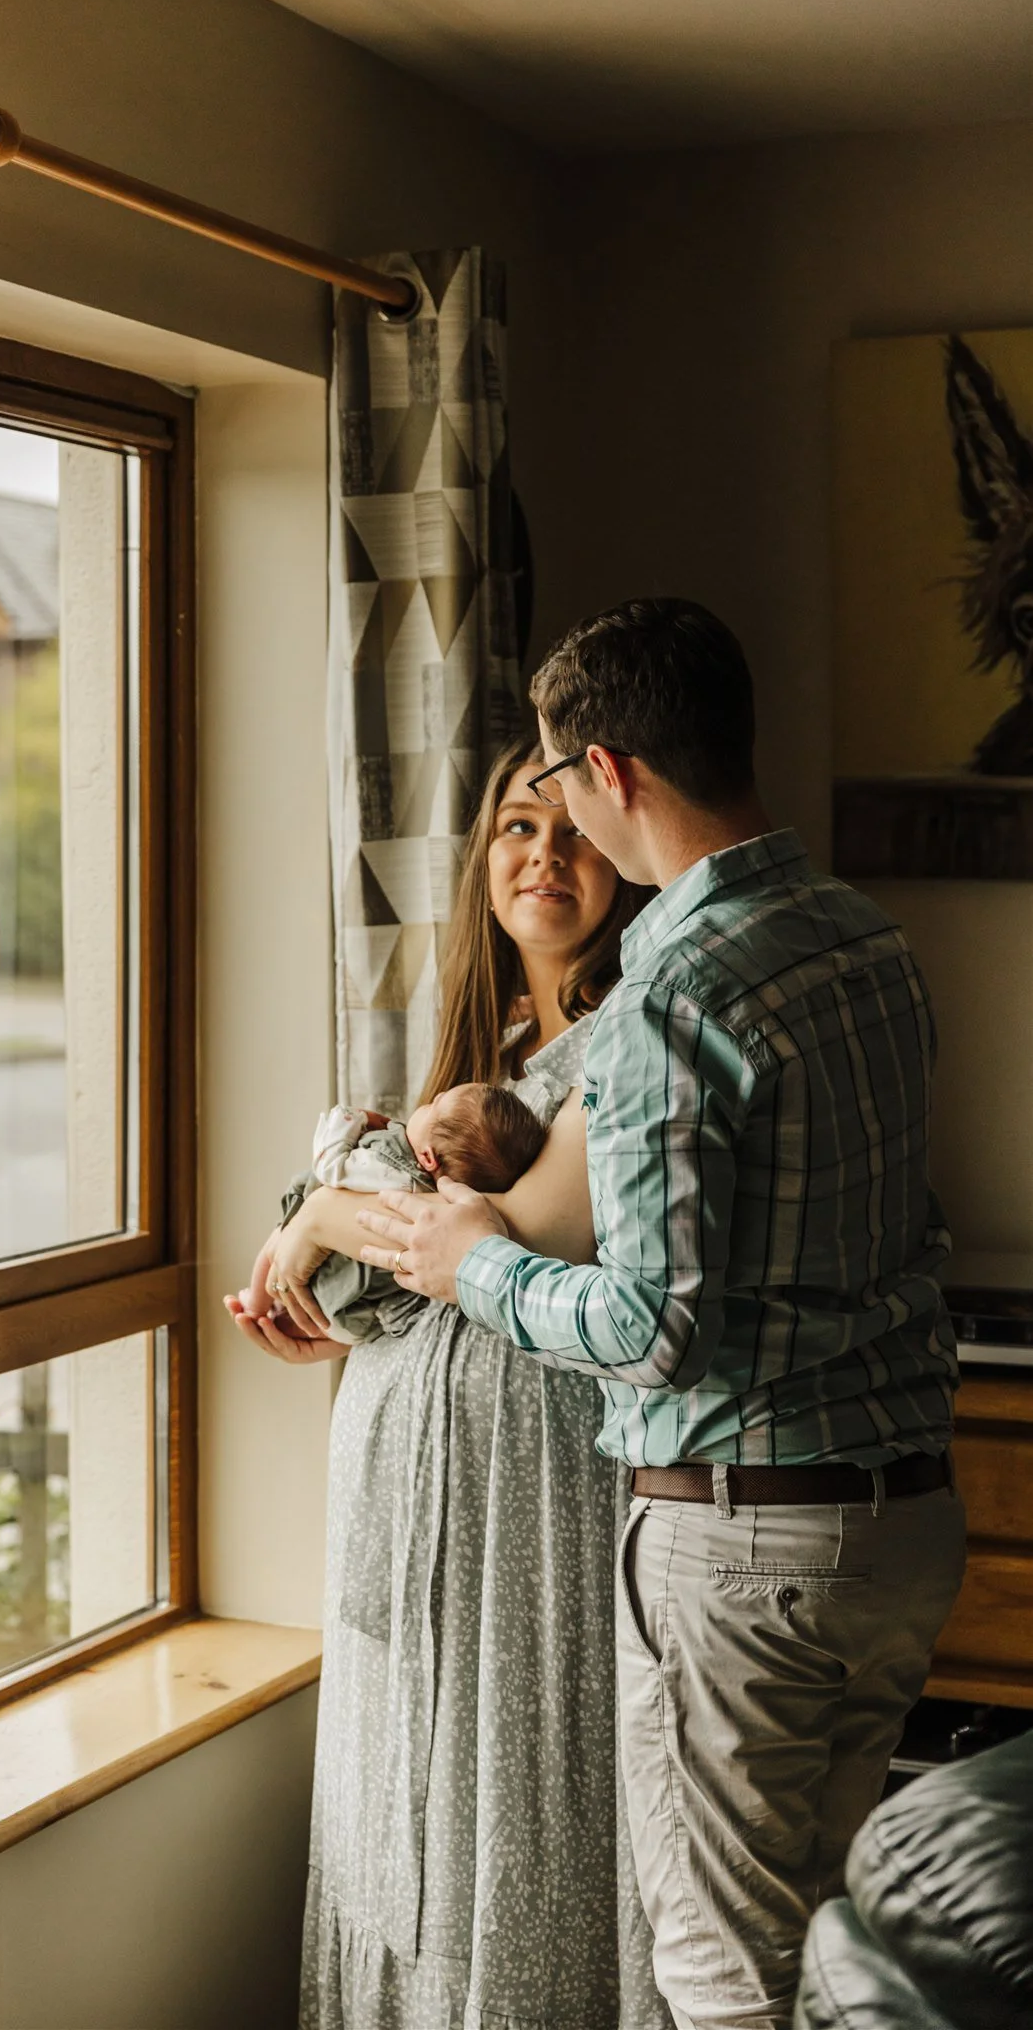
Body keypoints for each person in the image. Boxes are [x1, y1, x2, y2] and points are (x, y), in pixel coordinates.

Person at [361, 601, 967, 2030]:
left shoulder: (674, 997)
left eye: (562, 784)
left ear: (612, 772)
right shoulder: (866, 941)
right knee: (833, 1951)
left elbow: (652, 1328)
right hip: (901, 1523)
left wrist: (469, 1264)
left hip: (746, 1537)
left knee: (720, 1980)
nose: (563, 817)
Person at [226, 739, 666, 2030]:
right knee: (401, 1793)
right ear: (481, 860)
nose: (544, 858)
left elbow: (504, 1235)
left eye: (573, 831)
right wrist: (312, 1240)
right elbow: (410, 1239)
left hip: (535, 1492)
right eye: (516, 831)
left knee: (521, 1786)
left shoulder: (632, 1029)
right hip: (410, 1472)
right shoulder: (490, 1039)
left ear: (621, 851)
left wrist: (315, 1214)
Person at [239, 1085, 548, 1346]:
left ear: (427, 1157)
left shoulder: (391, 1171)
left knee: (276, 1242)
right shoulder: (439, 1206)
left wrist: (350, 1119)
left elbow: (330, 1167)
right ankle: (272, 1313)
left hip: (331, 1282)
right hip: (355, 1309)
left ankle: (254, 1302)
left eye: (433, 1105)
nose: (431, 1098)